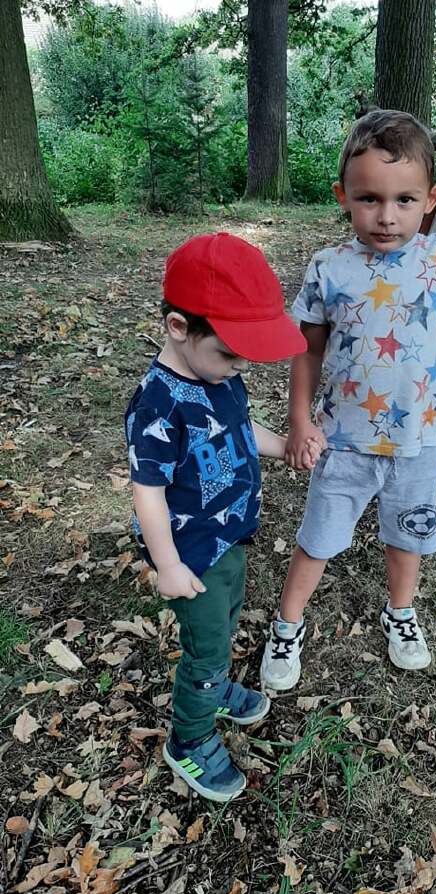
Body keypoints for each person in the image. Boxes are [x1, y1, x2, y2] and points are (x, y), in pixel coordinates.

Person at [260, 109, 436, 690]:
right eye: (369, 198)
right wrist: (298, 421)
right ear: (343, 197)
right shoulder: (329, 268)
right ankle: (287, 624)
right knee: (318, 538)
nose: (387, 216)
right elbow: (307, 350)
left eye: (405, 200)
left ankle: (401, 612)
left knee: (407, 534)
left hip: (420, 441)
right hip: (343, 441)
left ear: (431, 199)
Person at [125, 232, 321, 802]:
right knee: (206, 646)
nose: (239, 366)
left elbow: (237, 429)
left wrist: (283, 445)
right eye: (230, 353)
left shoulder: (217, 374)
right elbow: (147, 492)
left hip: (229, 534)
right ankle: (188, 738)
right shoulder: (158, 404)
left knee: (228, 617)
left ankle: (215, 688)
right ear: (178, 327)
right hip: (190, 553)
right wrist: (167, 565)